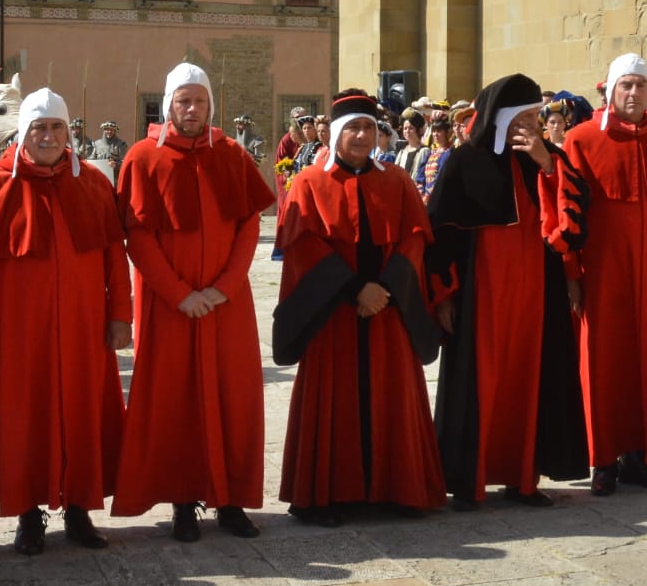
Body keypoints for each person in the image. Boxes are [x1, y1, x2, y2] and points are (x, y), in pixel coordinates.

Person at [0, 88, 130, 553]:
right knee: (22, 418)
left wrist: (120, 315)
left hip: (82, 328)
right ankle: (27, 514)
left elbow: (115, 255)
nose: (48, 136)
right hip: (15, 333)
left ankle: (78, 509)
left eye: (56, 127)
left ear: (68, 131)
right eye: (39, 128)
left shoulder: (93, 183)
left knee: (82, 413)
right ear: (24, 133)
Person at [114, 63, 277, 540]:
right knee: (175, 402)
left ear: (210, 105)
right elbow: (137, 237)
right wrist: (180, 294)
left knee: (233, 397)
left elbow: (250, 225)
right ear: (168, 106)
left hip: (226, 305)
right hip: (170, 307)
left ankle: (231, 500)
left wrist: (224, 286)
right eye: (183, 101)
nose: (192, 109)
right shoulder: (143, 159)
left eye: (199, 101)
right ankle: (183, 501)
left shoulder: (230, 154)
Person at [273, 90, 447, 523]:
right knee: (337, 400)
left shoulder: (397, 181)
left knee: (391, 397)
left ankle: (396, 489)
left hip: (388, 310)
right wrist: (354, 290)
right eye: (352, 127)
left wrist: (385, 288)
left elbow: (413, 237)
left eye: (369, 127)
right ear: (335, 133)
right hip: (334, 315)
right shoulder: (309, 184)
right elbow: (304, 247)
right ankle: (331, 495)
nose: (361, 135)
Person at [427, 73, 587, 509]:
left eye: (537, 117)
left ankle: (524, 478)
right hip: (483, 297)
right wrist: (444, 295)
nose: (532, 125)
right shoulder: (464, 162)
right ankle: (469, 481)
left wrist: (546, 164)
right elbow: (437, 234)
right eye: (525, 117)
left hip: (537, 296)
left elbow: (575, 222)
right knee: (483, 383)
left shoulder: (549, 158)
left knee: (530, 380)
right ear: (502, 119)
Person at [547, 54, 647, 494]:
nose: (633, 93)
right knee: (604, 363)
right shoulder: (580, 139)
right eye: (625, 86)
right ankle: (603, 459)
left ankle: (640, 456)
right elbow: (566, 215)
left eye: (640, 86)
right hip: (603, 272)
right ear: (610, 91)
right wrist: (573, 275)